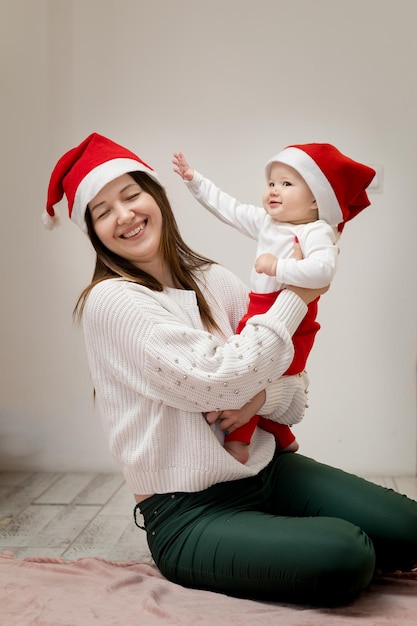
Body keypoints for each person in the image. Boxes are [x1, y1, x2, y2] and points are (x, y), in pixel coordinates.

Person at [44, 132, 417, 607]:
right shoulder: (112, 302)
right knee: (347, 555)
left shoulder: (216, 279)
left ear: (156, 196)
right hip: (189, 513)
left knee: (409, 530)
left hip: (267, 470)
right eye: (102, 211)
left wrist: (261, 399)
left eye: (132, 194)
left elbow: (295, 392)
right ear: (93, 231)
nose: (125, 215)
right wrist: (295, 298)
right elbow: (216, 383)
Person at [173, 145, 375, 462]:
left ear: (315, 199)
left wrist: (278, 268)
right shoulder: (268, 223)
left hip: (297, 317)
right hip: (260, 307)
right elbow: (230, 209)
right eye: (271, 183)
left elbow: (324, 270)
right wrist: (195, 180)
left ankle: (239, 443)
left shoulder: (316, 231)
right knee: (254, 368)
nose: (274, 191)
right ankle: (283, 436)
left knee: (260, 373)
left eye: (287, 184)